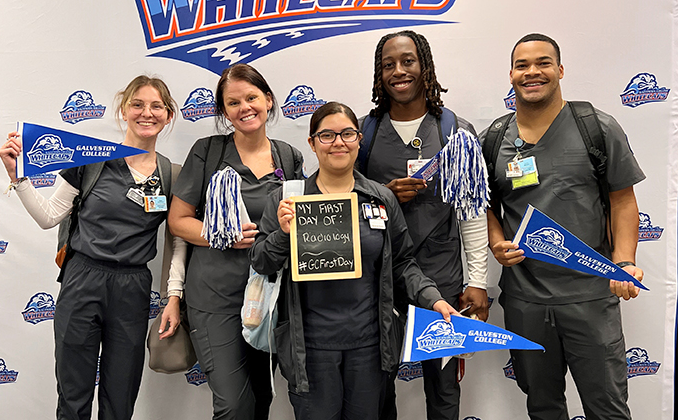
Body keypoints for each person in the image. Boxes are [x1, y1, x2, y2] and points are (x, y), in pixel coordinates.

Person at [250, 101, 459, 420]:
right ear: (312, 143)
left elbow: (403, 263)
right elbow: (262, 263)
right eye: (327, 135)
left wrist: (434, 300)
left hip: (370, 349)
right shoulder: (288, 199)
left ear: (359, 139)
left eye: (347, 133)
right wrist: (282, 234)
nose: (338, 142)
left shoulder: (380, 198)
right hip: (311, 351)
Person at [0, 75, 181, 420]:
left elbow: (180, 240)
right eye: (137, 104)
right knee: (73, 393)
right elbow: (50, 216)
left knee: (120, 396)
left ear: (168, 115)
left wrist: (174, 296)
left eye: (157, 106)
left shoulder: (172, 175)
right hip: (83, 280)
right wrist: (17, 177)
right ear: (123, 111)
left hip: (133, 287)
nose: (147, 113)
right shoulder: (92, 161)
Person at [483, 33, 645, 420]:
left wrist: (623, 261)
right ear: (510, 75)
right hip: (526, 301)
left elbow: (623, 201)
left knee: (607, 408)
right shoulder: (494, 138)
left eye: (542, 63)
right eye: (522, 65)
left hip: (590, 296)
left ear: (560, 70)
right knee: (542, 407)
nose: (532, 72)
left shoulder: (596, 128)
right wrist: (496, 242)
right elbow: (486, 205)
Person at [358, 30, 489, 420]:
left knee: (444, 389)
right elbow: (342, 200)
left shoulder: (455, 131)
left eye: (408, 61)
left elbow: (472, 210)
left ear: (425, 66)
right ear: (379, 74)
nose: (399, 71)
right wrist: (383, 193)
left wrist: (478, 279)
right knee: (378, 387)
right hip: (377, 279)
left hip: (442, 278)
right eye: (388, 65)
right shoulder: (362, 133)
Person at [166, 63, 304, 420]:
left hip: (267, 299)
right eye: (233, 102)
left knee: (260, 401)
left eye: (252, 97)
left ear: (269, 101)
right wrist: (219, 235)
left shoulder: (288, 157)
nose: (245, 107)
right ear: (224, 112)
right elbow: (178, 222)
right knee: (233, 405)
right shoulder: (208, 152)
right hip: (216, 298)